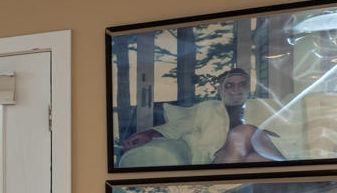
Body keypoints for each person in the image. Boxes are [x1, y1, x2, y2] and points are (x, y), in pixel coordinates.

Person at [120, 68, 286, 167]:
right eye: (229, 85)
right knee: (244, 133)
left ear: (249, 88)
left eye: (242, 84)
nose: (236, 89)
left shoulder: (263, 108)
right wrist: (149, 133)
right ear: (220, 91)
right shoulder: (207, 109)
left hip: (253, 156)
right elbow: (178, 126)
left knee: (253, 155)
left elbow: (284, 134)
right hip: (222, 158)